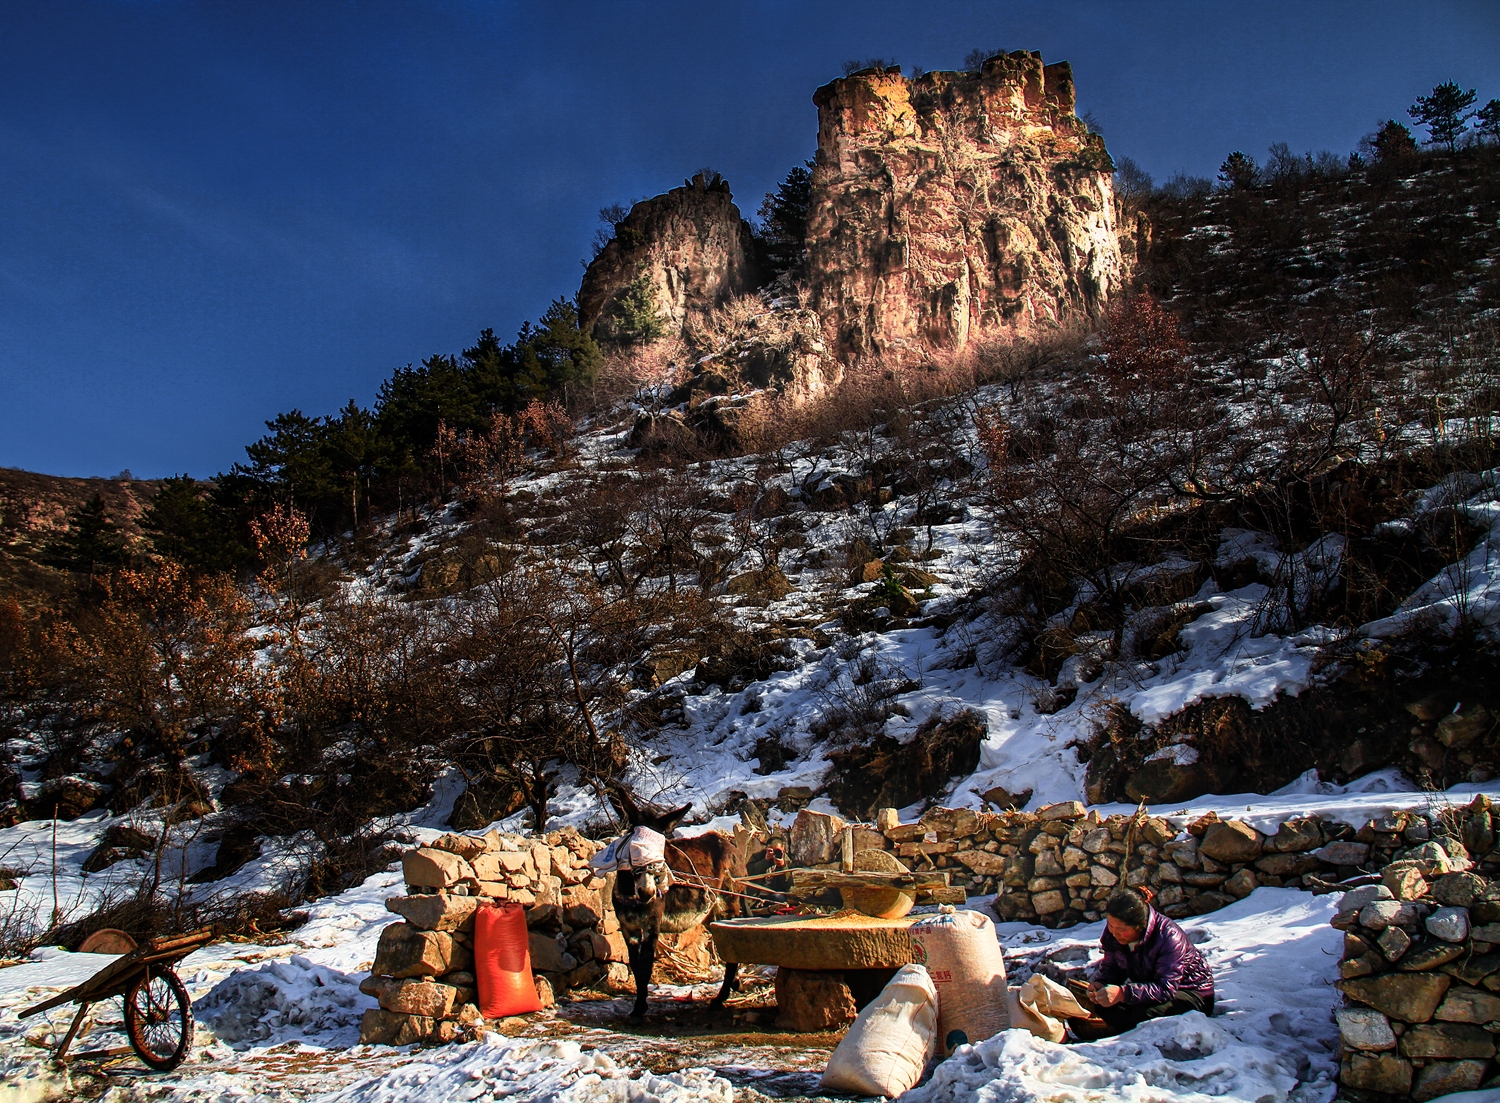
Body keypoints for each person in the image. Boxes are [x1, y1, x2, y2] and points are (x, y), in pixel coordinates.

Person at [1070, 886, 1215, 1040]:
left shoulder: (1169, 937)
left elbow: (1165, 988)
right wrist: (1101, 983)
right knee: (1099, 1002)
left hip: (1189, 993)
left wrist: (1123, 993)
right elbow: (1112, 966)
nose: (1113, 932)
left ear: (1139, 925)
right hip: (1147, 989)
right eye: (1110, 926)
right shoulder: (1114, 933)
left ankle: (1114, 1030)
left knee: (1143, 1013)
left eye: (1121, 928)